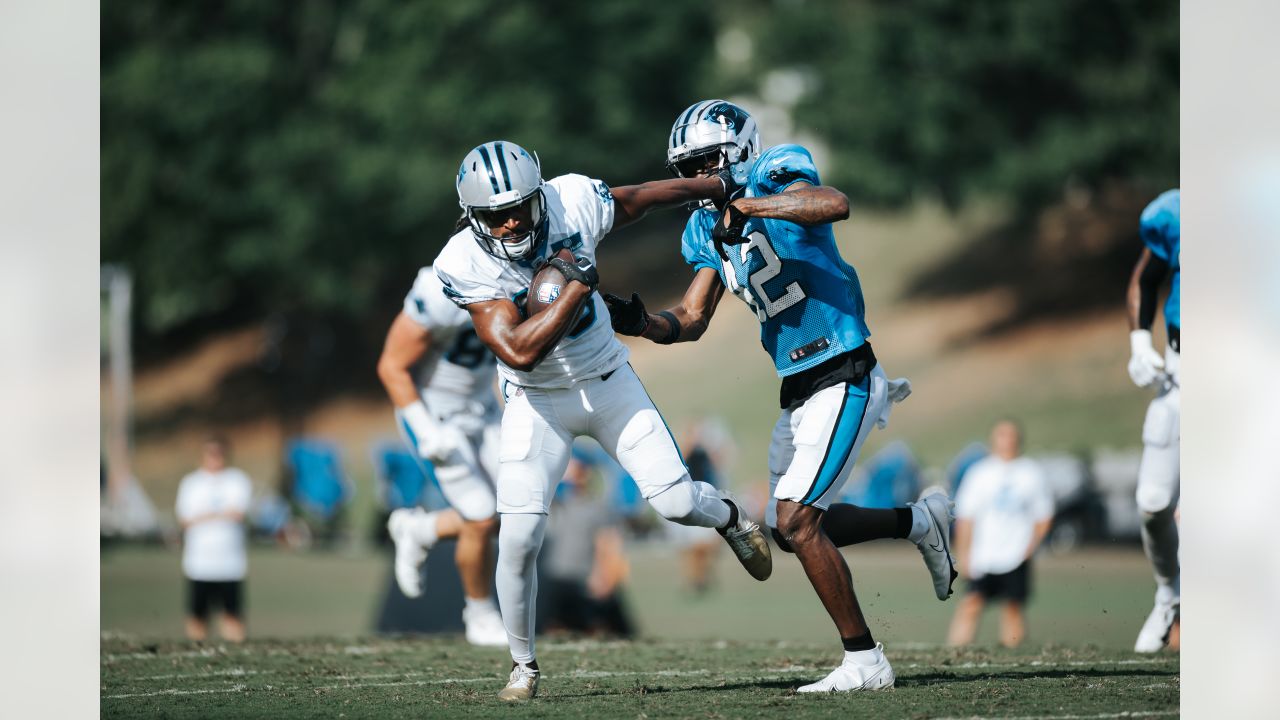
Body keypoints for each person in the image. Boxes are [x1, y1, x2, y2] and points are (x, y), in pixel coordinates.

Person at [604, 99, 957, 692]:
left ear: (735, 151)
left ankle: (865, 662)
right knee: (787, 527)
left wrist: (749, 204)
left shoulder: (774, 170)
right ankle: (919, 521)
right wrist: (638, 321)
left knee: (795, 521)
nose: (695, 178)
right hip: (797, 387)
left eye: (704, 163)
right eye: (685, 168)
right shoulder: (703, 227)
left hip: (844, 368)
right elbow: (691, 317)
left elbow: (832, 204)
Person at [433, 140, 773, 701]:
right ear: (474, 218)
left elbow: (639, 198)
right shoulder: (463, 262)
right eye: (497, 214)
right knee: (517, 538)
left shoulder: (571, 201)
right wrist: (575, 285)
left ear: (540, 193)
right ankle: (523, 665)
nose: (513, 220)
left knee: (677, 503)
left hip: (608, 381)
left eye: (520, 205)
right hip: (535, 400)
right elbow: (518, 352)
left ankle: (732, 515)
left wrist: (717, 188)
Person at [376, 260, 506, 647]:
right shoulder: (441, 287)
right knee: (481, 518)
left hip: (484, 408)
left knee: (519, 509)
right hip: (435, 414)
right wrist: (426, 429)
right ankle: (479, 614)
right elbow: (391, 366)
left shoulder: (526, 273)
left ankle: (419, 529)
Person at [1126, 188, 1180, 653]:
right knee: (1153, 502)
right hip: (1182, 375)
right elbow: (1146, 279)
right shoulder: (1175, 213)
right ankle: (1170, 592)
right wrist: (1140, 342)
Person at [946, 420, 1054, 648]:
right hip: (983, 554)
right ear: (993, 440)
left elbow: (1044, 516)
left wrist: (1031, 547)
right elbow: (966, 518)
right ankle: (955, 652)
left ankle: (1012, 653)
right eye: (1001, 435)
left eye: (1011, 435)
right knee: (972, 603)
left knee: (1013, 607)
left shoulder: (1031, 472)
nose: (1007, 441)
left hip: (1016, 554)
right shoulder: (980, 472)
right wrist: (963, 555)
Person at [539, 449, 635, 638]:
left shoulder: (598, 507)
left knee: (611, 631)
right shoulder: (554, 503)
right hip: (555, 579)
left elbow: (609, 542)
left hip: (585, 581)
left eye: (578, 467)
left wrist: (606, 575)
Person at [175, 435, 253, 643]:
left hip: (230, 562)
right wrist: (218, 514)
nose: (214, 458)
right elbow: (184, 519)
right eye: (210, 453)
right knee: (197, 614)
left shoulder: (238, 480)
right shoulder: (191, 483)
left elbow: (238, 513)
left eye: (219, 453)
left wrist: (204, 515)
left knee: (232, 614)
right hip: (199, 561)